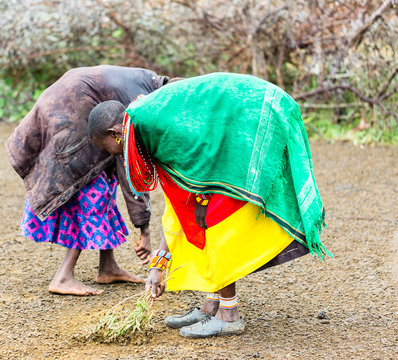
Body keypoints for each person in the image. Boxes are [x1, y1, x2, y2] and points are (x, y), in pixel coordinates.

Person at [88, 73, 332, 336]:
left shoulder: (149, 123)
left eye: (107, 148)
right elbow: (176, 204)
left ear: (115, 134)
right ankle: (210, 308)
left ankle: (229, 315)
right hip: (229, 126)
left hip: (252, 115)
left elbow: (202, 151)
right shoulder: (138, 125)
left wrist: (204, 197)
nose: (111, 155)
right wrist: (158, 265)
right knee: (189, 216)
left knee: (215, 221)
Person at [5, 65, 169, 296]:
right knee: (90, 195)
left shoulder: (145, 82)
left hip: (74, 110)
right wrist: (144, 228)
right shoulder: (140, 99)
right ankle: (63, 276)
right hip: (69, 119)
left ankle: (108, 267)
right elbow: (130, 163)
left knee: (104, 187)